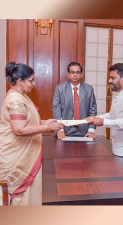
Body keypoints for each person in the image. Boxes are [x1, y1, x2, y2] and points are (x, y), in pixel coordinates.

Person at [0, 62, 64, 205]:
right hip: (16, 157)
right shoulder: (16, 99)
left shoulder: (19, 95)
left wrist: (47, 121)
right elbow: (19, 129)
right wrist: (48, 127)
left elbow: (26, 122)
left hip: (21, 151)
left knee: (29, 195)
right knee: (21, 197)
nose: (33, 84)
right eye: (31, 80)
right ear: (19, 81)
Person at [52, 62, 97, 139]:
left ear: (81, 74)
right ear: (68, 74)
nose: (75, 75)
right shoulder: (60, 89)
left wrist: (91, 129)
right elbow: (56, 110)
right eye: (72, 72)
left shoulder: (89, 89)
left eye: (78, 72)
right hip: (65, 129)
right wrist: (60, 130)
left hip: (84, 130)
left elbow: (92, 110)